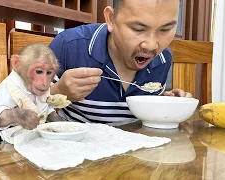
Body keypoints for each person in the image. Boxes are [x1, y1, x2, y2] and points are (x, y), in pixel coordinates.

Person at [49, 0, 192, 126]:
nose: (151, 45)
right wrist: (58, 92)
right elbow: (29, 107)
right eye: (138, 29)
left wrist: (164, 101)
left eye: (165, 30)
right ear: (111, 19)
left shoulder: (163, 59)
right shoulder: (68, 45)